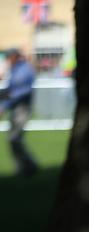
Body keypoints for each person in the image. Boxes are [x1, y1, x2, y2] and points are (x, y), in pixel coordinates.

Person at [3, 48, 36, 177]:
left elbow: (21, 91)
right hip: (17, 108)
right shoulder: (16, 69)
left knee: (14, 138)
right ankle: (26, 166)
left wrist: (4, 105)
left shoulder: (23, 70)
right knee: (13, 139)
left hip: (22, 108)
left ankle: (29, 166)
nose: (7, 60)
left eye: (9, 57)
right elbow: (11, 90)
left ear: (15, 57)